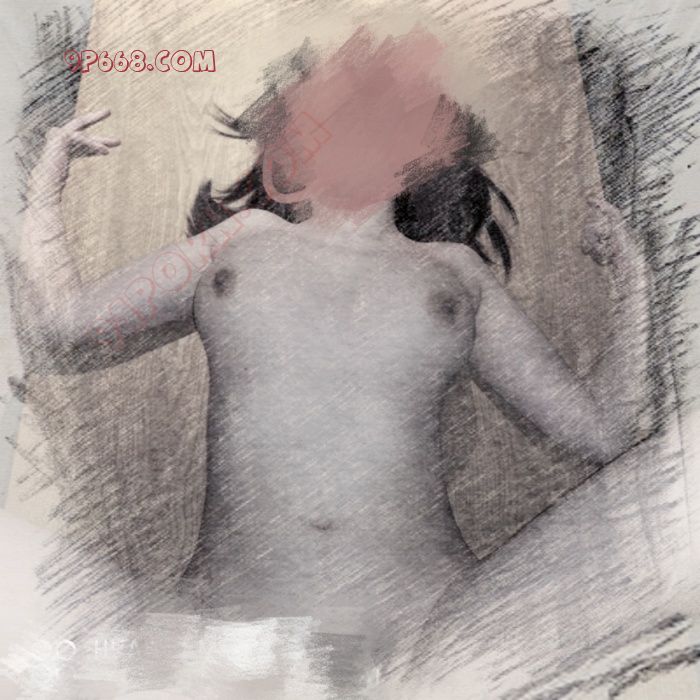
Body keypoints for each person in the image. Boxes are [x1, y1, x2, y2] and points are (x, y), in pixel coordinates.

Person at [14, 27, 651, 688]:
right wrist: (43, 189)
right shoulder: (240, 244)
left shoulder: (454, 274)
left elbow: (603, 431)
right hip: (231, 639)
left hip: (421, 638)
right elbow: (62, 328)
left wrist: (634, 284)